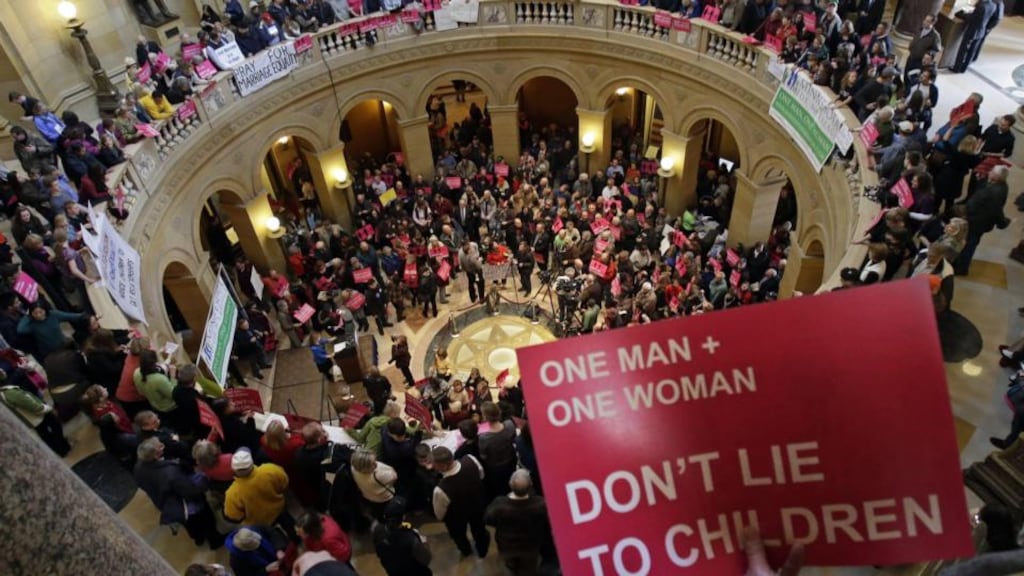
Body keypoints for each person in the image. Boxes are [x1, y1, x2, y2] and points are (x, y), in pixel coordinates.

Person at [134, 438, 223, 547]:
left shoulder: (138, 467)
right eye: (160, 446)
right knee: (206, 519)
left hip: (168, 505)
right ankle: (215, 541)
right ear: (156, 456)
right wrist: (204, 483)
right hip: (187, 505)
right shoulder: (170, 473)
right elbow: (191, 492)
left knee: (190, 525)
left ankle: (198, 539)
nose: (163, 445)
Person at [485, 469, 552, 576]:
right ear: (531, 485)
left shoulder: (499, 504)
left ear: (510, 484)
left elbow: (488, 520)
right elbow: (547, 521)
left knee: (509, 567)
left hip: (507, 545)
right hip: (531, 546)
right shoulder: (540, 504)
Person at [431, 446, 490, 558]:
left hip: (457, 517)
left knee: (459, 535)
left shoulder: (441, 490)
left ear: (443, 466)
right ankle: (482, 550)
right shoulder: (470, 459)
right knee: (479, 528)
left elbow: (439, 514)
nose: (433, 466)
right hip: (477, 505)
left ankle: (466, 551)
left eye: (435, 464)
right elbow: (481, 475)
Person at [957, 165, 1009, 275]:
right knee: (969, 242)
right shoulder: (999, 185)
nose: (990, 172)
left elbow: (996, 210)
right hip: (977, 219)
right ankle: (960, 263)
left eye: (992, 171)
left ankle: (962, 268)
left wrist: (1002, 223)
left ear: (997, 177)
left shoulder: (995, 192)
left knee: (970, 243)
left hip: (977, 222)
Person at [1, 375, 70, 455]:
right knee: (55, 427)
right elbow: (33, 406)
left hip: (31, 420)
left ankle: (61, 450)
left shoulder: (4, 393)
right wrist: (49, 409)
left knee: (46, 435)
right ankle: (63, 448)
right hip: (37, 416)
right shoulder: (10, 392)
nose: (3, 372)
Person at [224, 448, 292, 529]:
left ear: (233, 469)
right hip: (279, 509)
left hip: (260, 524)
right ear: (252, 462)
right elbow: (284, 482)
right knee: (291, 527)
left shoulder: (232, 493)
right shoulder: (270, 469)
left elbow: (234, 516)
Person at [372, 498, 433, 576]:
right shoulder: (411, 539)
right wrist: (424, 542)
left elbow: (379, 552)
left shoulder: (377, 530)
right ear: (403, 517)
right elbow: (426, 559)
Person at [16, 304, 85, 361]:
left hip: (63, 346)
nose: (39, 315)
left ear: (45, 310)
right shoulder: (32, 324)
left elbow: (71, 316)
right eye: (35, 313)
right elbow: (20, 329)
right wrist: (27, 316)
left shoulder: (53, 315)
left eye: (41, 312)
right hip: (50, 354)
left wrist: (85, 316)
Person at [951, 0, 998, 73]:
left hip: (972, 31)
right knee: (971, 51)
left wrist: (962, 14)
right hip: (981, 31)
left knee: (963, 50)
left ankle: (956, 68)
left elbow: (971, 19)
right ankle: (964, 68)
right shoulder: (993, 5)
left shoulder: (981, 6)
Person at [350, 446, 398, 516]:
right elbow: (394, 475)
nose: (376, 464)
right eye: (372, 464)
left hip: (368, 496)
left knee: (378, 513)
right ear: (364, 469)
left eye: (375, 460)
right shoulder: (378, 476)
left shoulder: (354, 468)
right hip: (384, 499)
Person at [133, 349, 177, 418]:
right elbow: (174, 395)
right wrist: (173, 377)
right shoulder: (159, 379)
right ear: (154, 363)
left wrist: (167, 358)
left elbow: (141, 392)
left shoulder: (136, 372)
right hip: (169, 408)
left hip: (154, 406)